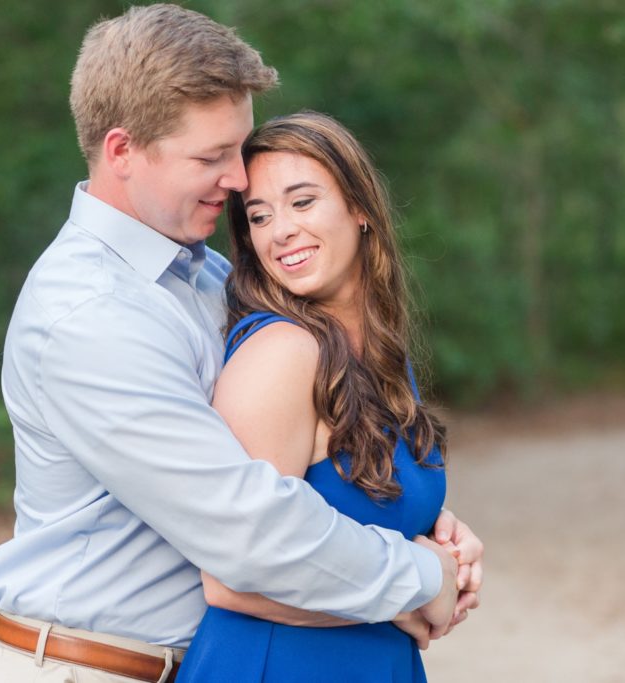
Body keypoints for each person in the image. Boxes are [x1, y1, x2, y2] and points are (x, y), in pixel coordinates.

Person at [0, 5, 482, 683]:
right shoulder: (88, 313)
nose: (241, 180)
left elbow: (320, 454)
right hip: (84, 668)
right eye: (213, 156)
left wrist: (429, 523)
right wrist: (420, 575)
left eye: (238, 149)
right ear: (122, 151)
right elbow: (248, 528)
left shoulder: (210, 277)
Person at [176, 111, 456, 682]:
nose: (280, 231)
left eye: (302, 202)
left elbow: (360, 505)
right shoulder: (282, 353)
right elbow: (230, 578)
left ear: (360, 209)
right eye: (259, 215)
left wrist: (446, 546)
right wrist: (414, 592)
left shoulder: (381, 357)